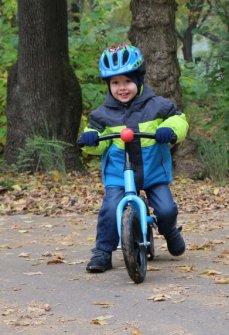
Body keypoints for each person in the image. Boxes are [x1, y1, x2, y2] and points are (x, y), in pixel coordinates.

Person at [78, 44, 189, 273]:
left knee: (166, 210)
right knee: (110, 209)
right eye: (115, 83)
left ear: (139, 80)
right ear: (108, 85)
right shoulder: (102, 115)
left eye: (127, 81)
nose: (122, 88)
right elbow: (98, 141)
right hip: (120, 174)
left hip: (152, 172)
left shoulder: (158, 106)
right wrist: (91, 140)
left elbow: (179, 120)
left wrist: (170, 130)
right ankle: (102, 251)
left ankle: (169, 231)